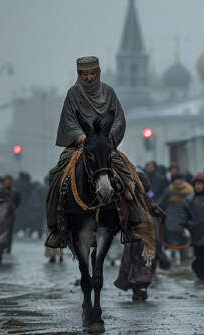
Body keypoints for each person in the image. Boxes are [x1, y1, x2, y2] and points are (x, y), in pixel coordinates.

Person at [44, 56, 154, 260]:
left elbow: (118, 119)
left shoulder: (109, 93)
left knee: (129, 177)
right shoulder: (73, 94)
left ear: (98, 73)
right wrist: (80, 136)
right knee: (56, 177)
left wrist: (106, 139)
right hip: (79, 145)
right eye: (84, 74)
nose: (88, 77)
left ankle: (134, 224)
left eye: (92, 73)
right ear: (79, 74)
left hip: (104, 146)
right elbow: (69, 119)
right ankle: (56, 230)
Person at [115, 172, 167, 301]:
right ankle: (138, 287)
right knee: (140, 263)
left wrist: (162, 215)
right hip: (136, 237)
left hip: (144, 237)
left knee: (142, 262)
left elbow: (156, 209)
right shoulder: (128, 199)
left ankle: (140, 287)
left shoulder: (142, 199)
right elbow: (157, 210)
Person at [158, 173, 193, 262]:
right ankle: (173, 265)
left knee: (184, 245)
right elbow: (161, 204)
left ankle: (184, 264)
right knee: (172, 246)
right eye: (175, 180)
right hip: (171, 222)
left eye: (179, 179)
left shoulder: (189, 191)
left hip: (184, 221)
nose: (178, 182)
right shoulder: (169, 191)